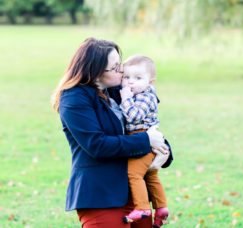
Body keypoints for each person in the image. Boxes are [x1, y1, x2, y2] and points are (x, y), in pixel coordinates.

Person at [51, 38, 171, 228]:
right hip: (101, 196)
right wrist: (147, 140)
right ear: (96, 71)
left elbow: (144, 124)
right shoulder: (74, 99)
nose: (122, 71)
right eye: (115, 68)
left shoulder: (118, 90)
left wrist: (164, 150)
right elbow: (97, 145)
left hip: (136, 193)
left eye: (120, 64)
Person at [120, 55, 169, 227]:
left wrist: (125, 98)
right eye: (126, 77)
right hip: (141, 138)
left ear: (151, 81)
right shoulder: (138, 92)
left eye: (138, 78)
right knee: (151, 175)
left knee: (134, 174)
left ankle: (142, 208)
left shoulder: (146, 96)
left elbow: (134, 117)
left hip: (142, 137)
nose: (130, 82)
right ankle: (161, 207)